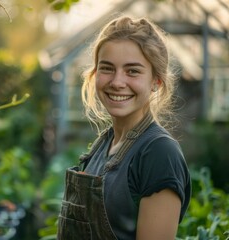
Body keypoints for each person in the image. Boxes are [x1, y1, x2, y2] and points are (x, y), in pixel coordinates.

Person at [57, 15, 191, 240]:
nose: (117, 82)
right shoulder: (104, 144)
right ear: (95, 74)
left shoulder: (158, 153)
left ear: (156, 82)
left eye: (133, 71)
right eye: (107, 68)